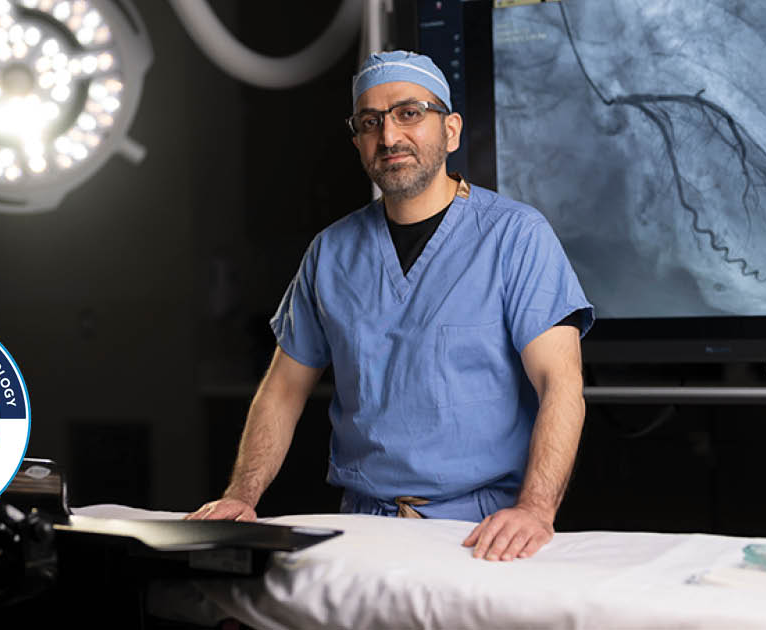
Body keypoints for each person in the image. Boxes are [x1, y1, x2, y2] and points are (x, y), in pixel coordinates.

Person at [187, 51, 594, 562]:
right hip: (362, 525)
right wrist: (241, 497)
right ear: (358, 140)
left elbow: (561, 385)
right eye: (370, 122)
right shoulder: (332, 253)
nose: (389, 136)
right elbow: (283, 391)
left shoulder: (516, 237)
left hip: (482, 530)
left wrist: (535, 509)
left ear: (450, 130)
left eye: (409, 113)